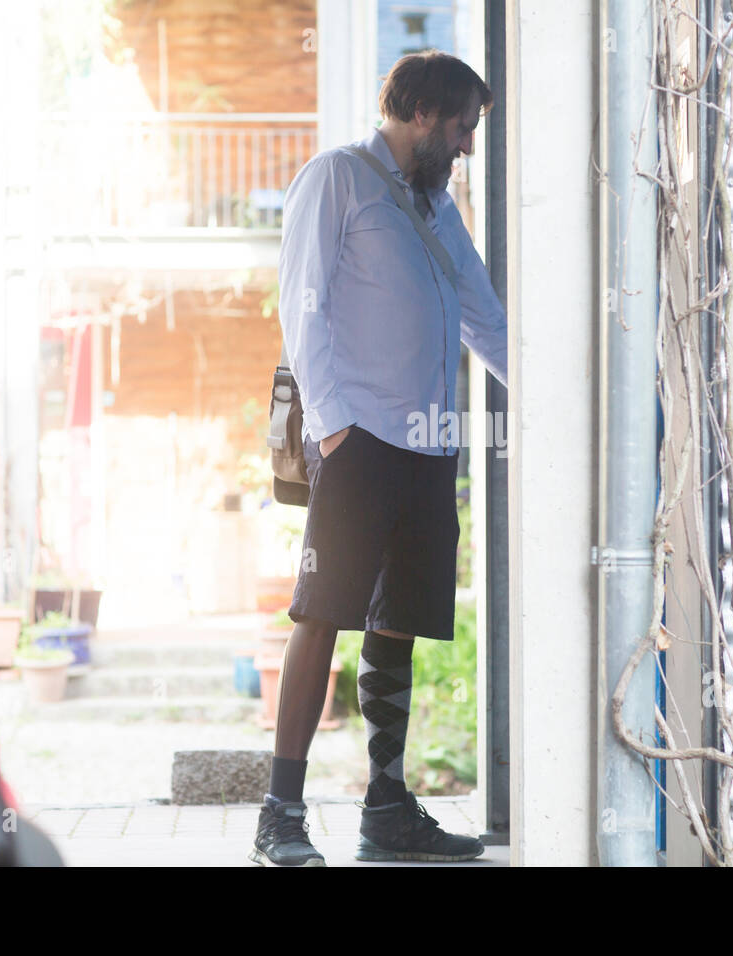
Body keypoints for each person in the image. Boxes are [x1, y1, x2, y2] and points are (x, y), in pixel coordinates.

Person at [250, 50, 508, 866]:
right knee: (323, 613)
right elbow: (304, 303)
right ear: (424, 112)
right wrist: (333, 431)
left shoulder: (436, 206)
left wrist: (556, 400)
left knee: (397, 622)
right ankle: (278, 819)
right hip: (357, 438)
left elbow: (484, 319)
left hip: (428, 445)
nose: (469, 145)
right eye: (465, 125)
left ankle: (386, 808)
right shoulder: (338, 178)